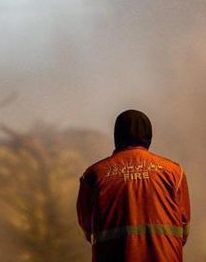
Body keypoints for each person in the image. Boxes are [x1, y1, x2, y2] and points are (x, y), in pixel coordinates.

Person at [77, 109, 190, 261]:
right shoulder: (174, 172)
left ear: (117, 136)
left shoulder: (93, 175)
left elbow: (87, 230)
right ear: (149, 136)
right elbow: (184, 227)